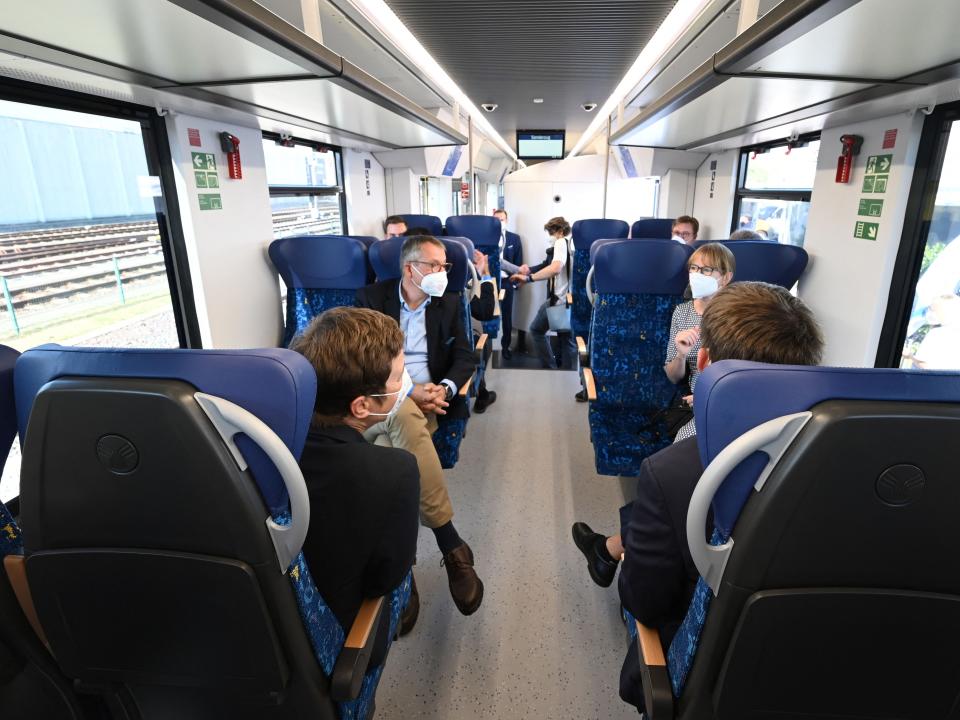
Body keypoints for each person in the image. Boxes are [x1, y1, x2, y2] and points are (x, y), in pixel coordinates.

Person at [569, 282, 824, 713]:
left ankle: (610, 550)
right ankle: (608, 548)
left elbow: (644, 601)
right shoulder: (847, 456)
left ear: (703, 361)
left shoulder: (676, 470)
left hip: (708, 669)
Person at [355, 235, 484, 616]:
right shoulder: (370, 300)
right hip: (377, 398)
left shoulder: (450, 302)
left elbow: (465, 357)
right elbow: (365, 363)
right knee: (405, 426)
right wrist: (410, 393)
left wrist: (443, 390)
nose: (444, 273)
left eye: (446, 266)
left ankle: (401, 572)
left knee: (389, 454)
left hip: (428, 403)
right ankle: (451, 544)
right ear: (411, 268)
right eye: (435, 265)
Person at [290, 306, 420, 654]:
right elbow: (386, 579)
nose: (405, 385)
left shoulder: (264, 449)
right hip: (343, 639)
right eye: (398, 377)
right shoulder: (396, 471)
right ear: (361, 407)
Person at [664, 242, 735, 441]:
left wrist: (711, 395)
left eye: (706, 270)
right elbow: (673, 377)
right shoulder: (682, 312)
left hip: (730, 396)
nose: (696, 275)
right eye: (693, 268)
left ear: (726, 278)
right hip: (698, 401)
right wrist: (680, 354)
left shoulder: (738, 314)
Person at [510, 216, 576, 369]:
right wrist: (528, 271)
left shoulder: (561, 242)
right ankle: (567, 374)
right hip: (568, 299)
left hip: (559, 299)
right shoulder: (572, 245)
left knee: (536, 330)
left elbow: (555, 268)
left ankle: (552, 368)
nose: (550, 237)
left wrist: (529, 279)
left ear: (560, 231)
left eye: (551, 233)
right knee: (565, 338)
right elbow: (547, 265)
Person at [493, 209, 528, 358]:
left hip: (507, 281)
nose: (500, 222)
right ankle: (487, 343)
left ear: (507, 221)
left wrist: (517, 279)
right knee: (490, 314)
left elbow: (518, 261)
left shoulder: (514, 239)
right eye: (497, 220)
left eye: (502, 219)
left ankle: (505, 346)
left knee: (507, 316)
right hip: (492, 281)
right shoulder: (487, 239)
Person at [912, 294, 960, 369]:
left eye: (933, 309)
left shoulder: (935, 334)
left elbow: (925, 365)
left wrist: (909, 356)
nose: (930, 312)